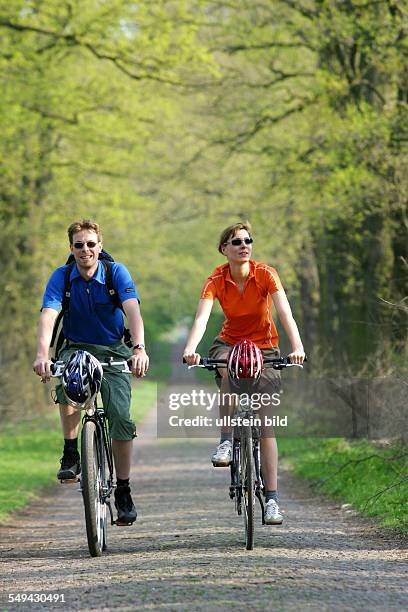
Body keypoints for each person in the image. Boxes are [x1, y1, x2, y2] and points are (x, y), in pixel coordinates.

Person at [183, 222, 305, 525]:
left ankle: (272, 500)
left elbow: (285, 313)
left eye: (248, 240)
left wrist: (297, 347)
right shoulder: (215, 279)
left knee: (266, 425)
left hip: (264, 348)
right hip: (228, 344)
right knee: (226, 369)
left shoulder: (266, 274)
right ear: (224, 248)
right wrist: (190, 348)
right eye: (236, 241)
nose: (243, 245)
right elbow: (202, 318)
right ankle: (226, 440)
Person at [33, 219, 149, 525]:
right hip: (76, 348)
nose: (85, 250)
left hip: (113, 351)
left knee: (121, 419)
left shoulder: (115, 272)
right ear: (71, 248)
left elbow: (133, 310)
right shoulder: (62, 277)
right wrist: (42, 355)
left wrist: (139, 349)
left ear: (100, 245)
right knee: (68, 385)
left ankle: (123, 488)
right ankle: (71, 452)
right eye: (79, 245)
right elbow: (49, 315)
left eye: (91, 244)